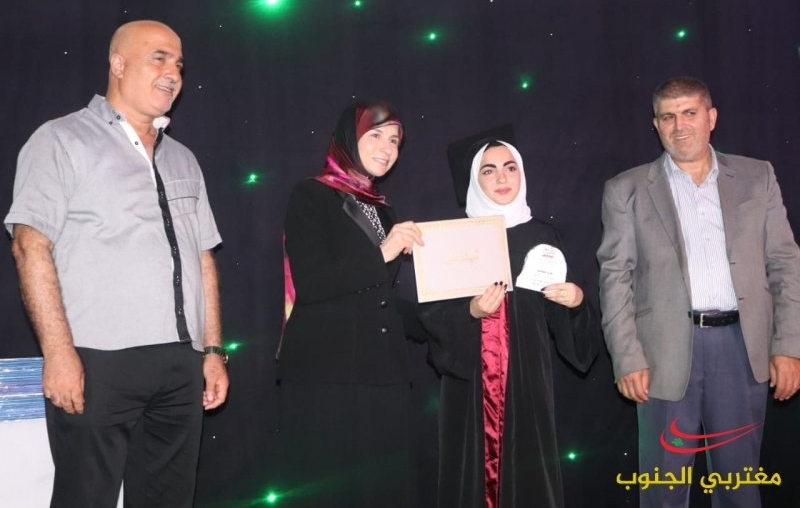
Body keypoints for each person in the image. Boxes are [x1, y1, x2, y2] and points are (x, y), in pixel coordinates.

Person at [4, 20, 228, 507]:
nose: (173, 72)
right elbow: (29, 246)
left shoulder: (183, 159)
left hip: (181, 360)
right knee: (86, 498)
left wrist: (212, 350)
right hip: (97, 360)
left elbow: (202, 256)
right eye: (159, 58)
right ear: (118, 64)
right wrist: (58, 353)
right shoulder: (61, 139)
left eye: (179, 64)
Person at [597, 76, 800, 507]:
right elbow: (615, 278)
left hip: (741, 351)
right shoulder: (625, 190)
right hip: (662, 356)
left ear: (711, 117)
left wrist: (788, 346)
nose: (680, 125)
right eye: (668, 116)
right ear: (655, 125)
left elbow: (786, 264)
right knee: (663, 491)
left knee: (739, 488)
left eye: (690, 113)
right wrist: (627, 356)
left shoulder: (757, 176)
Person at [419, 140, 597, 508]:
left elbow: (566, 331)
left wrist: (576, 302)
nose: (502, 178)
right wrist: (471, 311)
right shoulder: (452, 239)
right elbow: (432, 323)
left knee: (527, 471)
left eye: (509, 167)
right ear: (475, 180)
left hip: (526, 379)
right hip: (470, 384)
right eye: (489, 170)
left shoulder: (544, 237)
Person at [275, 100, 424, 507]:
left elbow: (382, 297)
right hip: (328, 374)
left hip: (382, 372)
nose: (387, 148)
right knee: (329, 490)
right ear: (347, 138)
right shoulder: (311, 194)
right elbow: (313, 282)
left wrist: (462, 312)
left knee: (383, 490)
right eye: (375, 135)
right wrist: (383, 253)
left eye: (394, 140)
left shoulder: (384, 210)